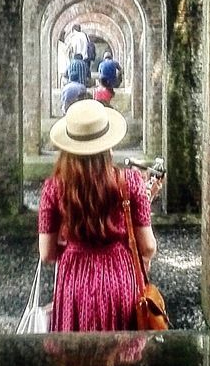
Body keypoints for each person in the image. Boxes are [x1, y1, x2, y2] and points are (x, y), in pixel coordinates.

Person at [39, 99, 157, 331]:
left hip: (73, 282)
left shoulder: (53, 188)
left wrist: (75, 248)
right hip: (120, 280)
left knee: (76, 356)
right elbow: (148, 247)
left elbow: (46, 253)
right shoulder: (130, 182)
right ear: (108, 144)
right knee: (123, 356)